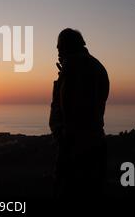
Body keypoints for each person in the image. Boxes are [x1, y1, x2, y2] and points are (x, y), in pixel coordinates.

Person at [49, 28, 109, 197]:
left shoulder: (75, 69)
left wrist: (62, 138)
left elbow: (72, 111)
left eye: (60, 48)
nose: (58, 53)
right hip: (93, 146)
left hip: (76, 151)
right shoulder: (96, 66)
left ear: (68, 46)